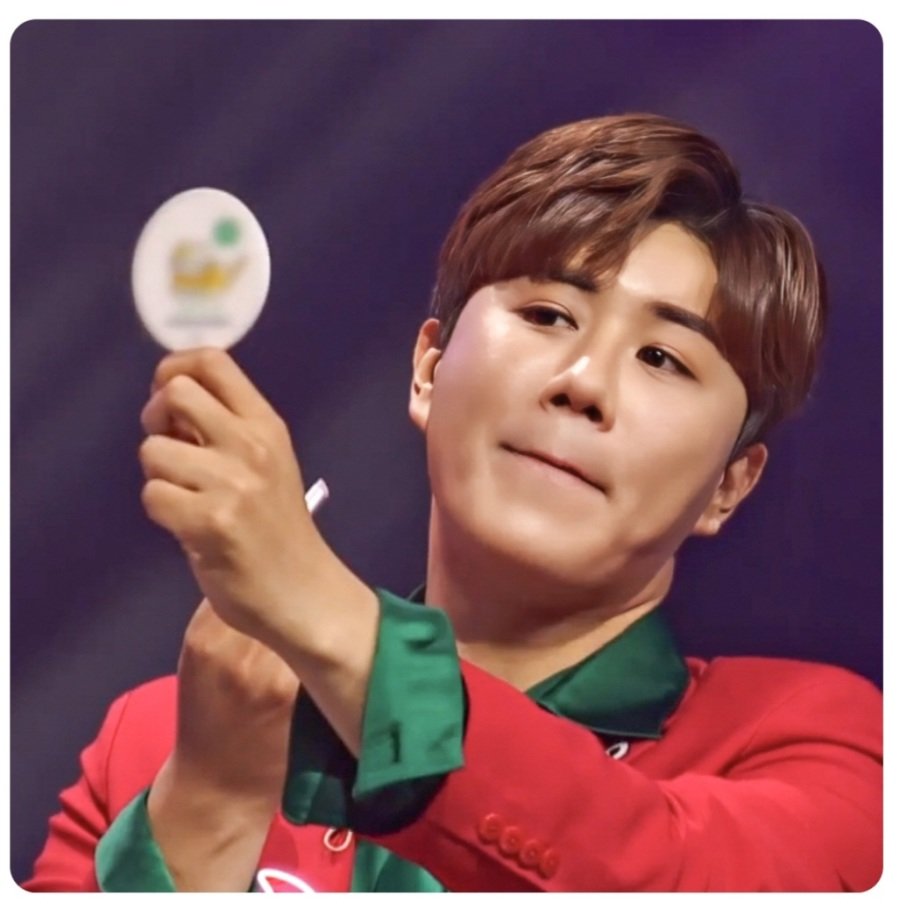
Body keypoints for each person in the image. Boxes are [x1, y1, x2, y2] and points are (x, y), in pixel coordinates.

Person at [25, 113, 881, 893]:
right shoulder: (153, 742)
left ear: (729, 483)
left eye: (663, 359)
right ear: (428, 371)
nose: (583, 382)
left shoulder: (812, 743)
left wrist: (317, 605)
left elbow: (669, 872)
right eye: (548, 314)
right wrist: (209, 802)